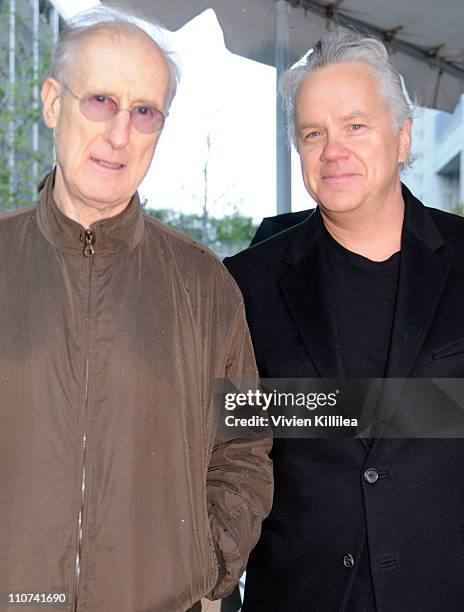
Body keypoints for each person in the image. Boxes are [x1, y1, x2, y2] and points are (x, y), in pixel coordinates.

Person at [0, 8, 272, 612]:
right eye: (100, 100)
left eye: (143, 111)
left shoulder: (206, 287)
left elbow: (244, 450)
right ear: (52, 103)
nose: (120, 134)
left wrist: (204, 569)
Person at [224, 27, 464, 612]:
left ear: (404, 137)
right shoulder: (243, 285)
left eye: (356, 125)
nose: (334, 150)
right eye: (314, 133)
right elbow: (225, 437)